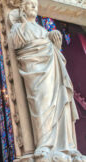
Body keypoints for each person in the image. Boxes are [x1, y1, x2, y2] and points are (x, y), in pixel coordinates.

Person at [9, 0, 86, 161]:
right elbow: (18, 45)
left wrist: (54, 42)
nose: (34, 8)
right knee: (40, 104)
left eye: (35, 6)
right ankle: (44, 144)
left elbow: (54, 52)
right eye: (30, 5)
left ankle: (65, 146)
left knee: (59, 104)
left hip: (53, 71)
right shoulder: (17, 28)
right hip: (34, 73)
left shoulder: (43, 31)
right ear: (22, 9)